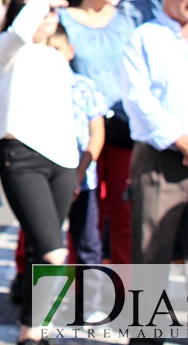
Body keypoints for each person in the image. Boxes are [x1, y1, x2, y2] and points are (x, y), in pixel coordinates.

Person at [121, 0, 188, 345]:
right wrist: (183, 140)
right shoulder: (144, 38)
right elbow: (137, 99)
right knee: (151, 259)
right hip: (161, 158)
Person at [59, 0, 157, 268]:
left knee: (126, 215)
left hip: (124, 128)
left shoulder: (129, 14)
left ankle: (130, 302)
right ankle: (76, 302)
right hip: (77, 133)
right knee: (81, 219)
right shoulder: (62, 19)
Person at [0, 0, 77, 344]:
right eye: (41, 10)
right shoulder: (6, 49)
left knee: (41, 251)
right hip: (21, 158)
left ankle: (32, 332)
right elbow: (20, 29)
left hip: (63, 161)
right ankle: (37, 329)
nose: (50, 16)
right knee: (56, 253)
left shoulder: (56, 57)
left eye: (54, 12)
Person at [47, 25, 106, 308]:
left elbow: (97, 131)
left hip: (83, 178)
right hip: (49, 178)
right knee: (49, 243)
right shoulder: (37, 88)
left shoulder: (83, 86)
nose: (53, 56)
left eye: (57, 50)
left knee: (88, 242)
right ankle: (51, 305)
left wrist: (79, 171)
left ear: (70, 52)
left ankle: (90, 302)